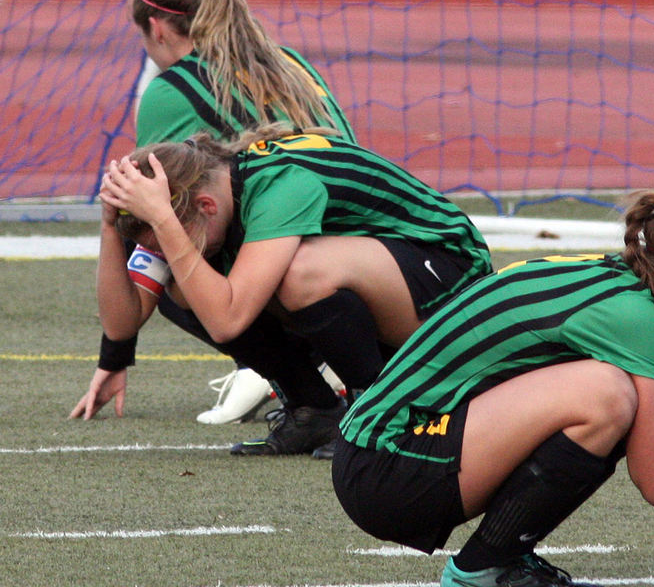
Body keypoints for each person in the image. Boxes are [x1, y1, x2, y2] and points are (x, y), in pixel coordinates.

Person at [332, 191, 654, 587]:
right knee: (606, 394)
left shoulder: (621, 283)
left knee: (615, 391)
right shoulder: (631, 315)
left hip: (377, 461)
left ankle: (503, 558)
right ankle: (483, 568)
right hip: (385, 469)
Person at [69, 0, 356, 430]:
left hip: (301, 268)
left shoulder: (173, 90)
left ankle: (304, 386)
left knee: (176, 261)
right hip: (366, 252)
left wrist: (114, 353)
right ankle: (333, 361)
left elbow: (142, 209)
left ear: (157, 29)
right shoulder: (290, 63)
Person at [96, 123, 493, 458]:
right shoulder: (199, 207)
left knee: (297, 274)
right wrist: (110, 227)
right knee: (185, 287)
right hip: (392, 287)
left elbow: (226, 320)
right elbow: (121, 324)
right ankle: (314, 410)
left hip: (455, 286)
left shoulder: (278, 185)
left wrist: (164, 221)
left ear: (206, 206)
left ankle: (382, 411)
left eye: (165, 234)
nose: (163, 248)